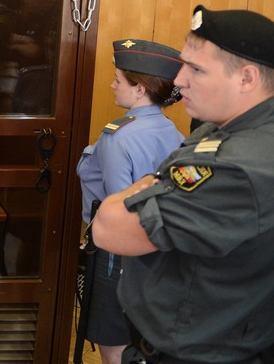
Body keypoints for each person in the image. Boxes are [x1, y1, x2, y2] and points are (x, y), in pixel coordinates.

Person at [92, 6, 274, 364]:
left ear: (247, 78)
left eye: (196, 69)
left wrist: (147, 184)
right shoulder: (221, 129)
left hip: (200, 352)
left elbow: (109, 227)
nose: (178, 81)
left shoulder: (239, 166)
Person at [75, 39, 184, 364]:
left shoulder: (118, 135)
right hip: (160, 249)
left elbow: (118, 209)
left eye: (119, 79)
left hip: (117, 254)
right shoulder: (173, 131)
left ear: (140, 89)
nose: (112, 84)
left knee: (114, 345)